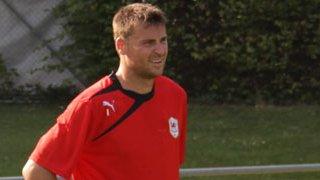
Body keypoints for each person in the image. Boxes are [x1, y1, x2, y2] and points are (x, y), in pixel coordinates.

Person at [22, 2, 187, 180]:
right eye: (148, 43)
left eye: (163, 40)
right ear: (121, 45)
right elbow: (35, 170)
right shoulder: (92, 104)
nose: (160, 50)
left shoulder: (175, 95)